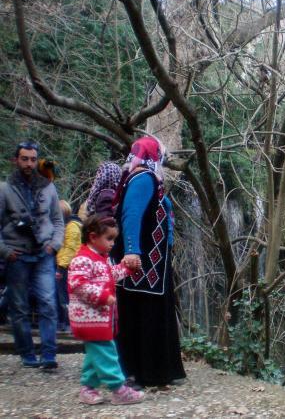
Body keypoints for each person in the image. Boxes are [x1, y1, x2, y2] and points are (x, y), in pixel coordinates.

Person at [112, 136, 186, 386]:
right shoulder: (144, 178)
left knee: (141, 311)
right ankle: (145, 371)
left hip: (151, 266)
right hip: (144, 266)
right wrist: (132, 250)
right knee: (144, 312)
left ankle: (147, 370)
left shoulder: (139, 177)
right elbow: (131, 213)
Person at [0, 140, 64, 369]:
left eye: (33, 159)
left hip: (44, 254)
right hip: (17, 256)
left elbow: (58, 220)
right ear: (16, 160)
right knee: (19, 307)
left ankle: (49, 355)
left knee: (48, 302)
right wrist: (6, 251)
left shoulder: (48, 187)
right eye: (24, 159)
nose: (29, 163)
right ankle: (27, 353)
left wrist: (55, 244)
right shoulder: (4, 189)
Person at [68, 214, 144, 405]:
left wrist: (127, 269)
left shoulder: (101, 258)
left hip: (99, 319)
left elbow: (111, 275)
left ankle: (87, 389)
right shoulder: (83, 259)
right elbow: (77, 283)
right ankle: (118, 389)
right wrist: (101, 296)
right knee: (107, 353)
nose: (112, 243)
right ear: (93, 237)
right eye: (109, 238)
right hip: (89, 318)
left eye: (114, 239)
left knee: (95, 354)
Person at [55, 200, 83, 332]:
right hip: (67, 265)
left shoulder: (72, 227)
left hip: (67, 266)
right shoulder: (71, 225)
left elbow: (70, 249)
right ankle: (63, 322)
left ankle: (67, 323)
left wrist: (61, 267)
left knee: (64, 296)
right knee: (63, 296)